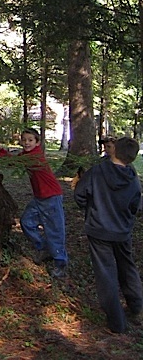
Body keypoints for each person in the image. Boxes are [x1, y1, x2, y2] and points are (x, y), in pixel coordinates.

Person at [74, 136, 143, 334]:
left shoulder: (97, 172)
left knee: (106, 273)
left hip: (100, 229)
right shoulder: (133, 178)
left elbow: (79, 195)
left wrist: (92, 211)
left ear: (114, 150)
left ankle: (117, 322)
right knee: (127, 267)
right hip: (120, 230)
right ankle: (136, 307)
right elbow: (135, 206)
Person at [0, 128, 68, 278]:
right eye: (24, 140)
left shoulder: (35, 155)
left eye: (30, 140)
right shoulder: (27, 154)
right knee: (26, 222)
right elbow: (15, 159)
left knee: (54, 229)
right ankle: (44, 248)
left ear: (37, 142)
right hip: (39, 198)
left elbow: (17, 162)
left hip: (51, 197)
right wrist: (1, 148)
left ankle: (60, 262)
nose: (27, 143)